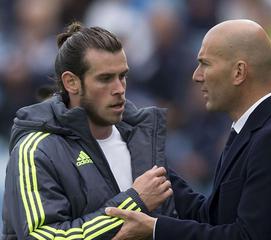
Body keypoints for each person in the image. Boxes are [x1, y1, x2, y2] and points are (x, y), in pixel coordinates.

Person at [105, 19, 271, 240]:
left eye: (205, 64)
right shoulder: (251, 130)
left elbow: (247, 237)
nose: (196, 76)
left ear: (239, 72)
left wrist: (156, 229)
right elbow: (211, 218)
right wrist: (150, 165)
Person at [1, 22, 175, 239]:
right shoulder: (36, 150)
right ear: (71, 83)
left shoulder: (142, 137)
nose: (119, 89)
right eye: (105, 79)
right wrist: (134, 202)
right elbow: (40, 237)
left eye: (123, 76)